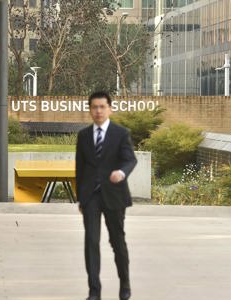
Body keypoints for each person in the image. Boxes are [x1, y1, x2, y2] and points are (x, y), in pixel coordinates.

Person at [75, 91, 137, 300]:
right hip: (91, 196)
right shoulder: (83, 136)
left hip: (114, 195)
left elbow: (130, 160)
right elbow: (80, 168)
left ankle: (125, 285)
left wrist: (121, 172)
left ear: (110, 108)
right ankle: (94, 291)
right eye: (94, 107)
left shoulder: (121, 133)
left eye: (102, 107)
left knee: (117, 241)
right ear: (90, 110)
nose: (98, 111)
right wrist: (80, 198)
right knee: (91, 241)